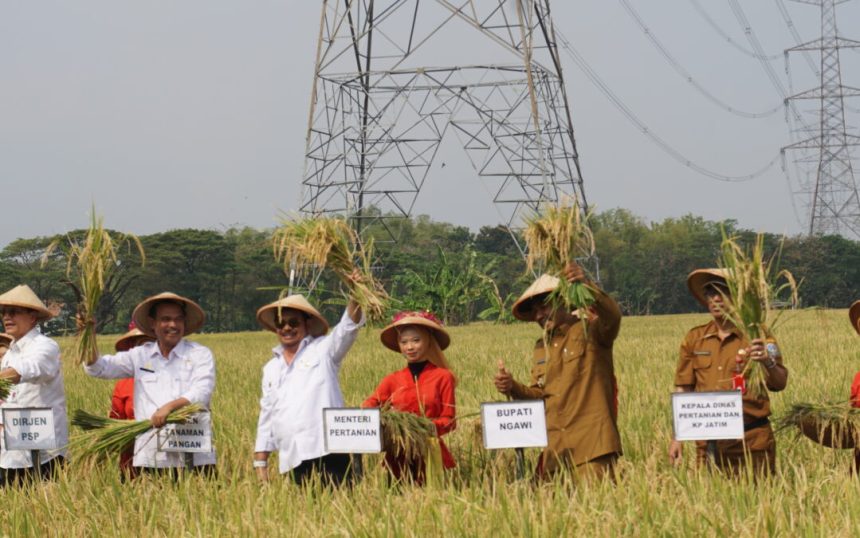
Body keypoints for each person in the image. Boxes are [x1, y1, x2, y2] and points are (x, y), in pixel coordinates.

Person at [494, 262, 623, 481]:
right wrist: (512, 386)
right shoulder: (540, 347)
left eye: (544, 306)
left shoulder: (591, 331)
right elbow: (540, 395)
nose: (538, 315)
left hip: (592, 446)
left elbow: (613, 317)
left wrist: (585, 285)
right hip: (555, 450)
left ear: (564, 300)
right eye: (534, 311)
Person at [668, 269, 787, 476]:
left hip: (751, 442)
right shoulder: (694, 338)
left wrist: (766, 362)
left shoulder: (758, 336)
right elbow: (684, 387)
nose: (715, 299)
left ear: (737, 296)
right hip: (707, 445)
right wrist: (677, 436)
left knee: (757, 503)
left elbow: (780, 382)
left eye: (723, 291)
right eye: (710, 293)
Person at [84, 292, 216, 474]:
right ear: (153, 323)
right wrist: (88, 334)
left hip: (195, 454)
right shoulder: (140, 355)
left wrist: (170, 407)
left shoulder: (199, 354)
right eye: (166, 319)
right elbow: (99, 368)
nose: (173, 325)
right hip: (151, 454)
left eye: (178, 319)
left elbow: (202, 391)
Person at [253, 284, 364, 485]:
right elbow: (267, 414)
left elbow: (348, 328)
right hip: (292, 456)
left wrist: (356, 293)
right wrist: (261, 462)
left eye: (293, 322)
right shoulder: (271, 368)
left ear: (307, 323)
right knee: (303, 512)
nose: (287, 328)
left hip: (328, 450)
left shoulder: (324, 350)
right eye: (281, 323)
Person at [362, 311, 456, 484]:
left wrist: (422, 427)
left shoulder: (443, 377)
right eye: (404, 342)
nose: (410, 347)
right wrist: (387, 422)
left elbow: (449, 419)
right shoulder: (392, 379)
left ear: (429, 341)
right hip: (398, 454)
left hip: (430, 452)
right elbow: (369, 404)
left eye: (416, 340)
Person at [0, 285, 68, 486]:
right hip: (11, 449)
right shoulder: (11, 352)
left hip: (45, 452)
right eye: (4, 312)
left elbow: (30, 368)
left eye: (14, 312)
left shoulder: (45, 346)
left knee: (46, 506)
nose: (7, 317)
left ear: (33, 317)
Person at [110, 322, 155, 480]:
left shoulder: (180, 378)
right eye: (141, 345)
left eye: (152, 343)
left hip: (170, 461)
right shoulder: (123, 385)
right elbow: (115, 426)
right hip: (133, 466)